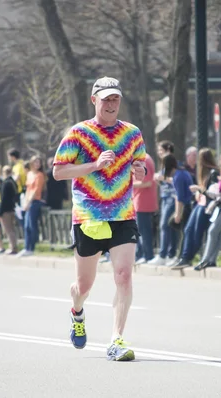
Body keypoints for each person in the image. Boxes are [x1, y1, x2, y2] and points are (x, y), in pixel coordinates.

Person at [52, 76, 146, 361]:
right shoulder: (78, 134)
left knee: (124, 276)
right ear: (94, 100)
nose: (111, 104)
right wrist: (94, 165)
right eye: (106, 99)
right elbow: (58, 171)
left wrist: (140, 172)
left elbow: (139, 166)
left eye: (115, 98)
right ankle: (77, 311)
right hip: (89, 216)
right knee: (85, 286)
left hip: (122, 214)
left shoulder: (132, 134)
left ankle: (117, 339)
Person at [172, 148, 220, 269]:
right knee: (188, 229)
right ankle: (185, 257)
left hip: (207, 206)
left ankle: (189, 257)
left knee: (197, 232)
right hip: (200, 203)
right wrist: (198, 191)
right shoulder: (203, 173)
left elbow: (213, 192)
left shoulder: (214, 172)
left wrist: (199, 189)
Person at [148, 141, 177, 265]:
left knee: (165, 225)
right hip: (165, 198)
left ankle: (165, 254)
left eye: (161, 150)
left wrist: (162, 178)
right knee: (166, 226)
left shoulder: (173, 164)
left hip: (172, 198)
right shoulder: (163, 166)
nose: (159, 153)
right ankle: (168, 253)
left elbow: (175, 179)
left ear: (168, 150)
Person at [133, 153, 158, 264]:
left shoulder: (145, 161)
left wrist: (128, 184)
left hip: (143, 201)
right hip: (139, 200)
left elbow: (147, 182)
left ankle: (147, 255)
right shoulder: (142, 160)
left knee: (144, 230)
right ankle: (140, 254)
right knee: (140, 229)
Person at [18, 156, 46, 257]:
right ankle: (26, 247)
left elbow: (36, 190)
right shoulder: (29, 174)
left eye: (39, 162)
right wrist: (25, 202)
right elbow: (28, 189)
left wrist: (29, 202)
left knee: (31, 225)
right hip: (27, 201)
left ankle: (31, 247)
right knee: (26, 226)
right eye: (35, 162)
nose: (37, 164)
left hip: (34, 201)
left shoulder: (40, 175)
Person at [0, 166, 19, 255]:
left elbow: (3, 199)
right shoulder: (13, 182)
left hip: (6, 209)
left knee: (8, 229)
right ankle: (13, 246)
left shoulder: (6, 183)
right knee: (11, 229)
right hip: (12, 208)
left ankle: (13, 247)